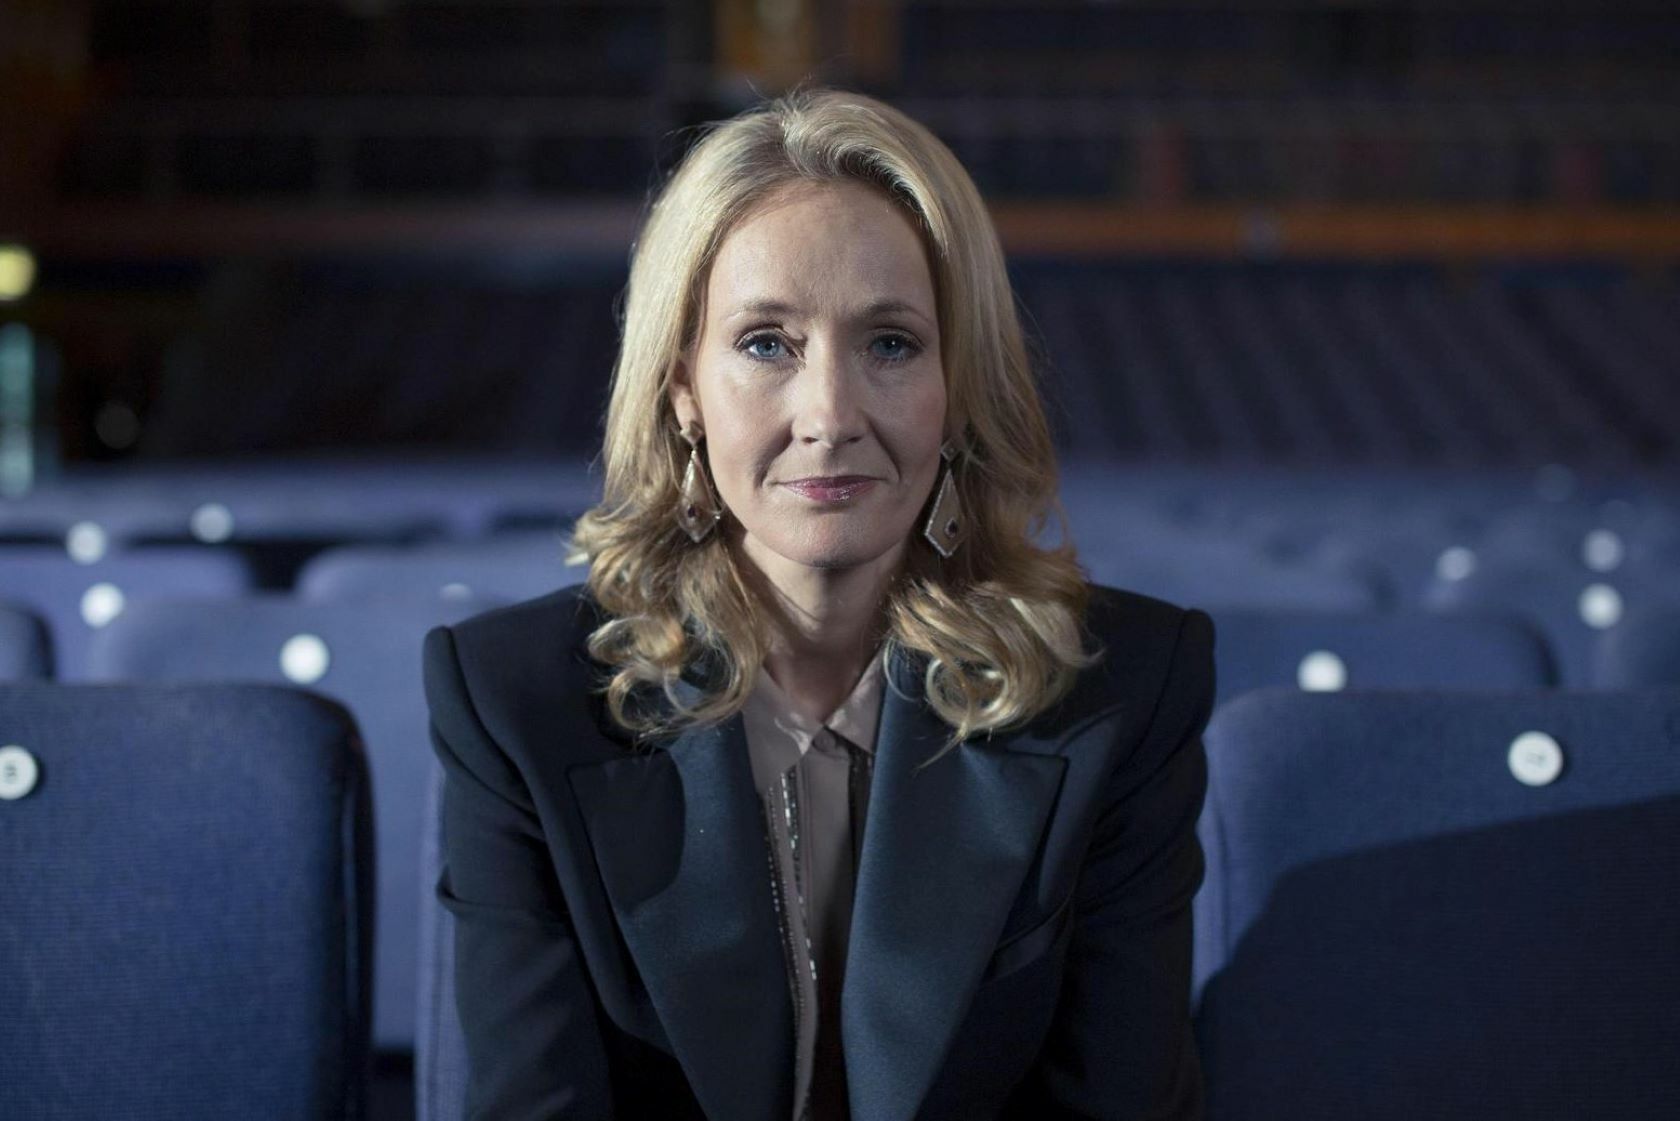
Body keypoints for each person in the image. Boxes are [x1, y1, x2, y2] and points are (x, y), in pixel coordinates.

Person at [423, 86, 1215, 1121]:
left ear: (958, 387)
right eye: (767, 343)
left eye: (890, 344)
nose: (830, 413)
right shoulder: (515, 703)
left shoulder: (1124, 691)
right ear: (683, 387)